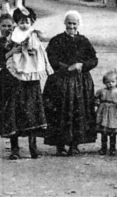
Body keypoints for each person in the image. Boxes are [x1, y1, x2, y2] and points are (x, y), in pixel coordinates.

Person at [0, 13, 47, 160]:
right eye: (4, 26)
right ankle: (14, 148)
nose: (7, 29)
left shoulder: (24, 37)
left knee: (30, 111)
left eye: (10, 26)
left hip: (28, 80)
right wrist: (10, 53)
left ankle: (33, 147)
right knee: (12, 113)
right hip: (8, 81)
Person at [43, 10, 98, 156]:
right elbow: (50, 58)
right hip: (60, 81)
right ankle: (60, 145)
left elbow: (93, 59)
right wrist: (65, 68)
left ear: (78, 24)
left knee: (79, 112)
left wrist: (82, 65)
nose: (71, 26)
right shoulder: (57, 40)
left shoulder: (84, 41)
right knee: (60, 112)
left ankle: (75, 144)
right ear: (64, 24)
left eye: (74, 23)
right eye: (69, 23)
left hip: (80, 83)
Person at [6, 6, 54, 82]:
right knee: (19, 65)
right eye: (21, 23)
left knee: (32, 65)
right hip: (20, 52)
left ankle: (30, 77)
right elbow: (11, 40)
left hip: (32, 51)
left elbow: (35, 42)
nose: (24, 25)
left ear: (31, 23)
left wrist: (33, 46)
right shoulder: (16, 31)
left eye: (27, 23)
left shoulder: (31, 32)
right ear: (17, 23)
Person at [94, 72, 117, 156]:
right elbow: (95, 97)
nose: (110, 84)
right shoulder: (102, 91)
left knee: (113, 132)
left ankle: (112, 149)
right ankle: (103, 148)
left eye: (113, 82)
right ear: (104, 82)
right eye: (108, 82)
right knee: (104, 132)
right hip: (104, 111)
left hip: (114, 112)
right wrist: (97, 101)